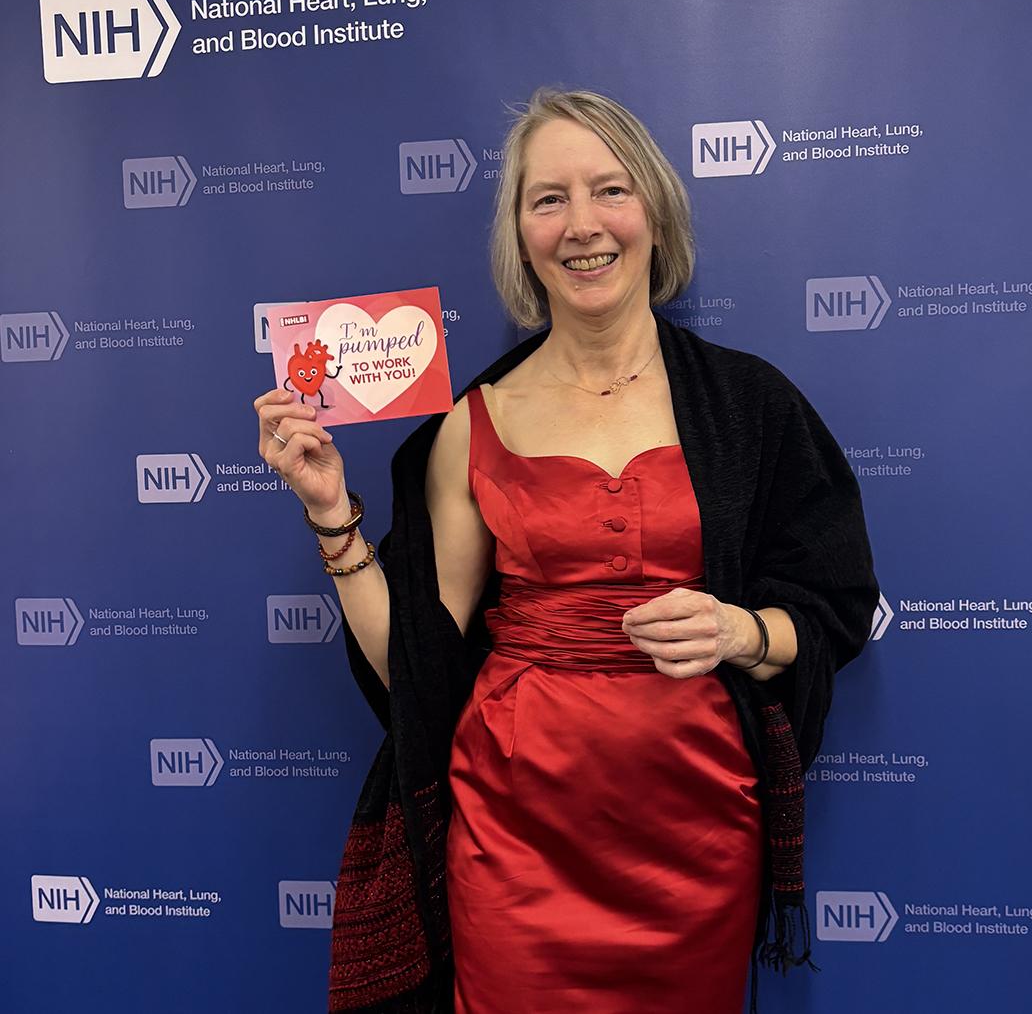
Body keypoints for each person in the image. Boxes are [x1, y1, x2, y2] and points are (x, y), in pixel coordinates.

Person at [253, 88, 880, 1014]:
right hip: (515, 836)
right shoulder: (473, 424)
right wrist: (331, 514)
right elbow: (414, 667)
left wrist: (740, 630)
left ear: (655, 214)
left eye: (609, 190)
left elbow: (838, 604)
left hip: (697, 833)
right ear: (519, 234)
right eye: (548, 199)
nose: (582, 225)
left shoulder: (749, 406)